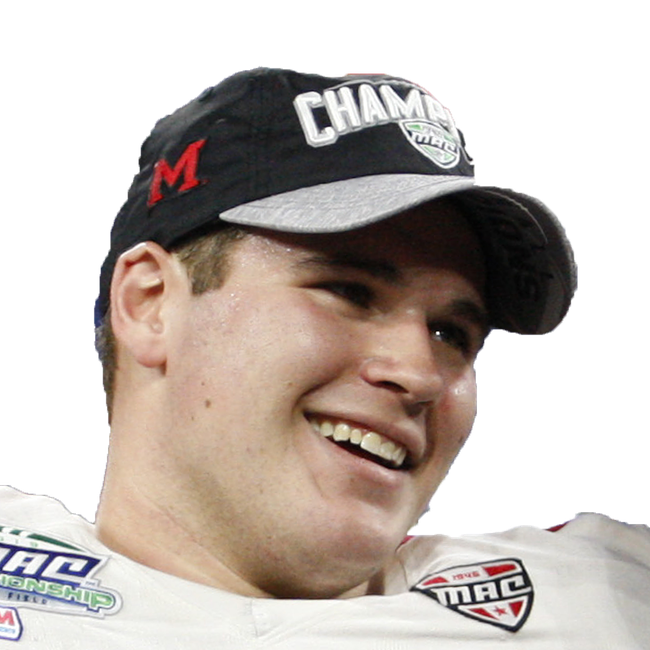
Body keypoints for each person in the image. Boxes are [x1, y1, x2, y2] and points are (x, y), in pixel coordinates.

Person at [1, 67, 647, 648]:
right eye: (349, 292)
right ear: (150, 304)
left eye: (451, 333)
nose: (420, 373)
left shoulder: (604, 599)